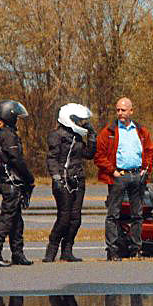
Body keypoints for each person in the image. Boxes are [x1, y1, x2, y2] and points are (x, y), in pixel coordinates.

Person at [94, 97, 153, 260]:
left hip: (137, 176)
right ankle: (113, 250)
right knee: (113, 214)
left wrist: (146, 170)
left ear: (131, 111)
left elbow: (150, 151)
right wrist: (112, 171)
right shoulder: (108, 132)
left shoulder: (141, 131)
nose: (120, 113)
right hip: (118, 177)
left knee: (137, 214)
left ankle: (136, 249)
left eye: (123, 110)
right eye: (118, 110)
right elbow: (99, 156)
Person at [44, 103, 96, 262]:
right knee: (64, 218)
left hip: (78, 179)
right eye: (77, 120)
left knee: (76, 218)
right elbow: (51, 158)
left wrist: (92, 137)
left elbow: (88, 154)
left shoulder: (77, 136)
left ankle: (67, 250)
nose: (81, 123)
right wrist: (56, 177)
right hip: (63, 181)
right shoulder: (56, 135)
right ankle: (51, 251)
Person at [0, 99, 35, 267]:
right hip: (11, 182)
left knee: (16, 219)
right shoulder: (8, 135)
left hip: (7, 181)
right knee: (7, 218)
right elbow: (16, 160)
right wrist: (29, 178)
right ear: (9, 116)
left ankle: (17, 253)